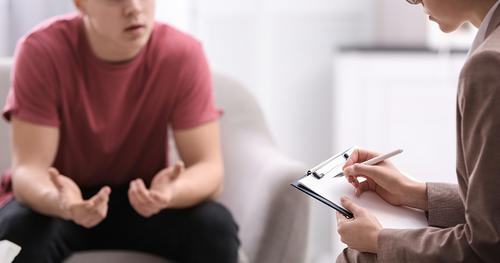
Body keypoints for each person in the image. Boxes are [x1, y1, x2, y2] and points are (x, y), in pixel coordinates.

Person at [0, 0, 239, 262]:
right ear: (81, 4)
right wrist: (60, 202)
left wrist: (171, 194)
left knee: (216, 228)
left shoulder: (183, 53)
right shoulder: (41, 51)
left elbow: (209, 168)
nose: (134, 8)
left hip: (144, 201)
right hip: (62, 203)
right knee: (12, 240)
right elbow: (28, 171)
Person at [335, 0, 500, 262]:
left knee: (357, 257)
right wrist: (416, 193)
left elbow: (488, 246)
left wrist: (380, 240)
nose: (415, 1)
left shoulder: (489, 65)